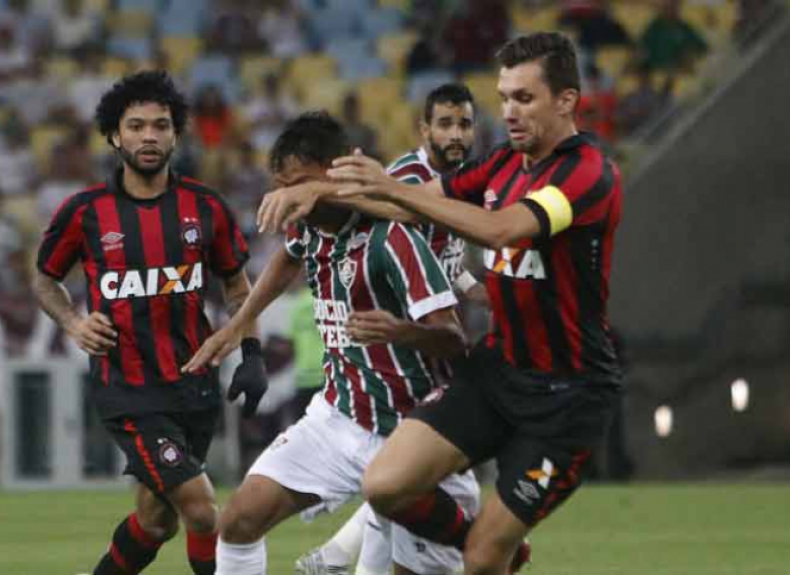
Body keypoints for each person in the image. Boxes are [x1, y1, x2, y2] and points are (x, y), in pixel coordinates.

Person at [256, 32, 623, 575]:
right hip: (498, 370)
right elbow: (417, 208)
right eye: (504, 98)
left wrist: (391, 189)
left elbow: (501, 230)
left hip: (566, 396)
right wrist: (321, 192)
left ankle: (489, 550)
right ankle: (492, 548)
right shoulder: (501, 164)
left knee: (479, 559)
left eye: (524, 98)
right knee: (385, 485)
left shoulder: (587, 172)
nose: (509, 112)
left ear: (566, 100)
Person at [182, 112, 475, 575]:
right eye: (281, 188)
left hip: (413, 435)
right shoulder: (313, 227)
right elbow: (285, 258)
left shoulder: (392, 238)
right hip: (337, 418)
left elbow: (455, 341)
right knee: (239, 520)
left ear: (336, 172)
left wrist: (398, 331)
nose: (289, 200)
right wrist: (239, 322)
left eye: (298, 185)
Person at [31, 70, 268, 575]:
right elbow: (44, 279)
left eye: (160, 126)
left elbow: (237, 287)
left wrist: (252, 353)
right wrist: (73, 323)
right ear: (115, 136)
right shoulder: (85, 212)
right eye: (136, 126)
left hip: (194, 386)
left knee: (156, 521)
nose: (148, 136)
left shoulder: (205, 207)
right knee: (203, 512)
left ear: (176, 135)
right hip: (129, 391)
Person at [296, 83, 489, 575]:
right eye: (445, 123)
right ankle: (341, 554)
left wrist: (474, 287)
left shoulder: (465, 180)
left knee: (415, 471)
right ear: (423, 129)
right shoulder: (405, 177)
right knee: (428, 466)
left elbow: (446, 253)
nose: (456, 134)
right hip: (402, 338)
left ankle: (338, 557)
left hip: (434, 331)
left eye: (464, 123)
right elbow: (342, 227)